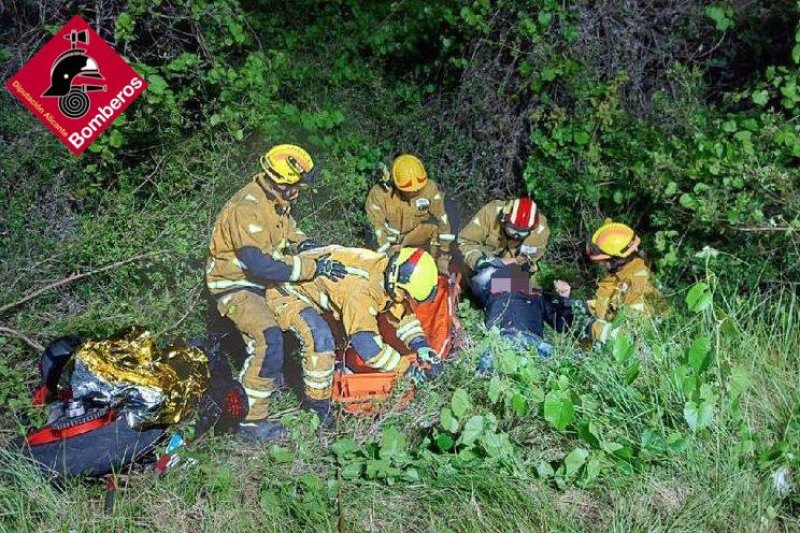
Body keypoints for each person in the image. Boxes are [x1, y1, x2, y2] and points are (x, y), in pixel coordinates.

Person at [206, 144, 347, 441]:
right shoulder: (246, 207)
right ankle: (251, 421)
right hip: (237, 286)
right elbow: (260, 263)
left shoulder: (275, 202)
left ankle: (281, 381)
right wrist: (311, 268)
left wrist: (307, 245)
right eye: (296, 187)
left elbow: (289, 234)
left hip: (262, 283)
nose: (299, 192)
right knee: (268, 339)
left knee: (308, 321)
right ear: (281, 183)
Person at [265, 246, 442, 427]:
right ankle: (317, 408)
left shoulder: (385, 272)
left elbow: (400, 310)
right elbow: (369, 350)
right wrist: (406, 369)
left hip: (313, 286)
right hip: (284, 293)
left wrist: (421, 345)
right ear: (396, 280)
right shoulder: (360, 292)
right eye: (405, 294)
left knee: (343, 337)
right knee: (320, 339)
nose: (405, 298)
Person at [459, 197, 571, 371]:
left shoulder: (536, 292)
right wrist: (481, 262)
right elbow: (465, 242)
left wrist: (564, 300)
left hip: (529, 332)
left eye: (522, 233)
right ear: (505, 219)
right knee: (487, 277)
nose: (516, 235)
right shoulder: (492, 213)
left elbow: (563, 324)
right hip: (491, 271)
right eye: (512, 229)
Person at [555, 220, 660, 344]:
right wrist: (576, 304)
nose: (602, 265)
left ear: (616, 260)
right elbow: (605, 305)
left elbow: (630, 337)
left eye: (603, 261)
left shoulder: (637, 283)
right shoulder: (621, 274)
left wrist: (592, 328)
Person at [365, 154, 455, 272]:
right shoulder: (379, 195)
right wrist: (387, 256)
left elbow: (443, 220)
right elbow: (375, 227)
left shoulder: (429, 188)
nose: (416, 191)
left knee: (437, 228)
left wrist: (444, 255)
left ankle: (434, 267)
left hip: (415, 237)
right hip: (392, 244)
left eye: (419, 188)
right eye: (409, 190)